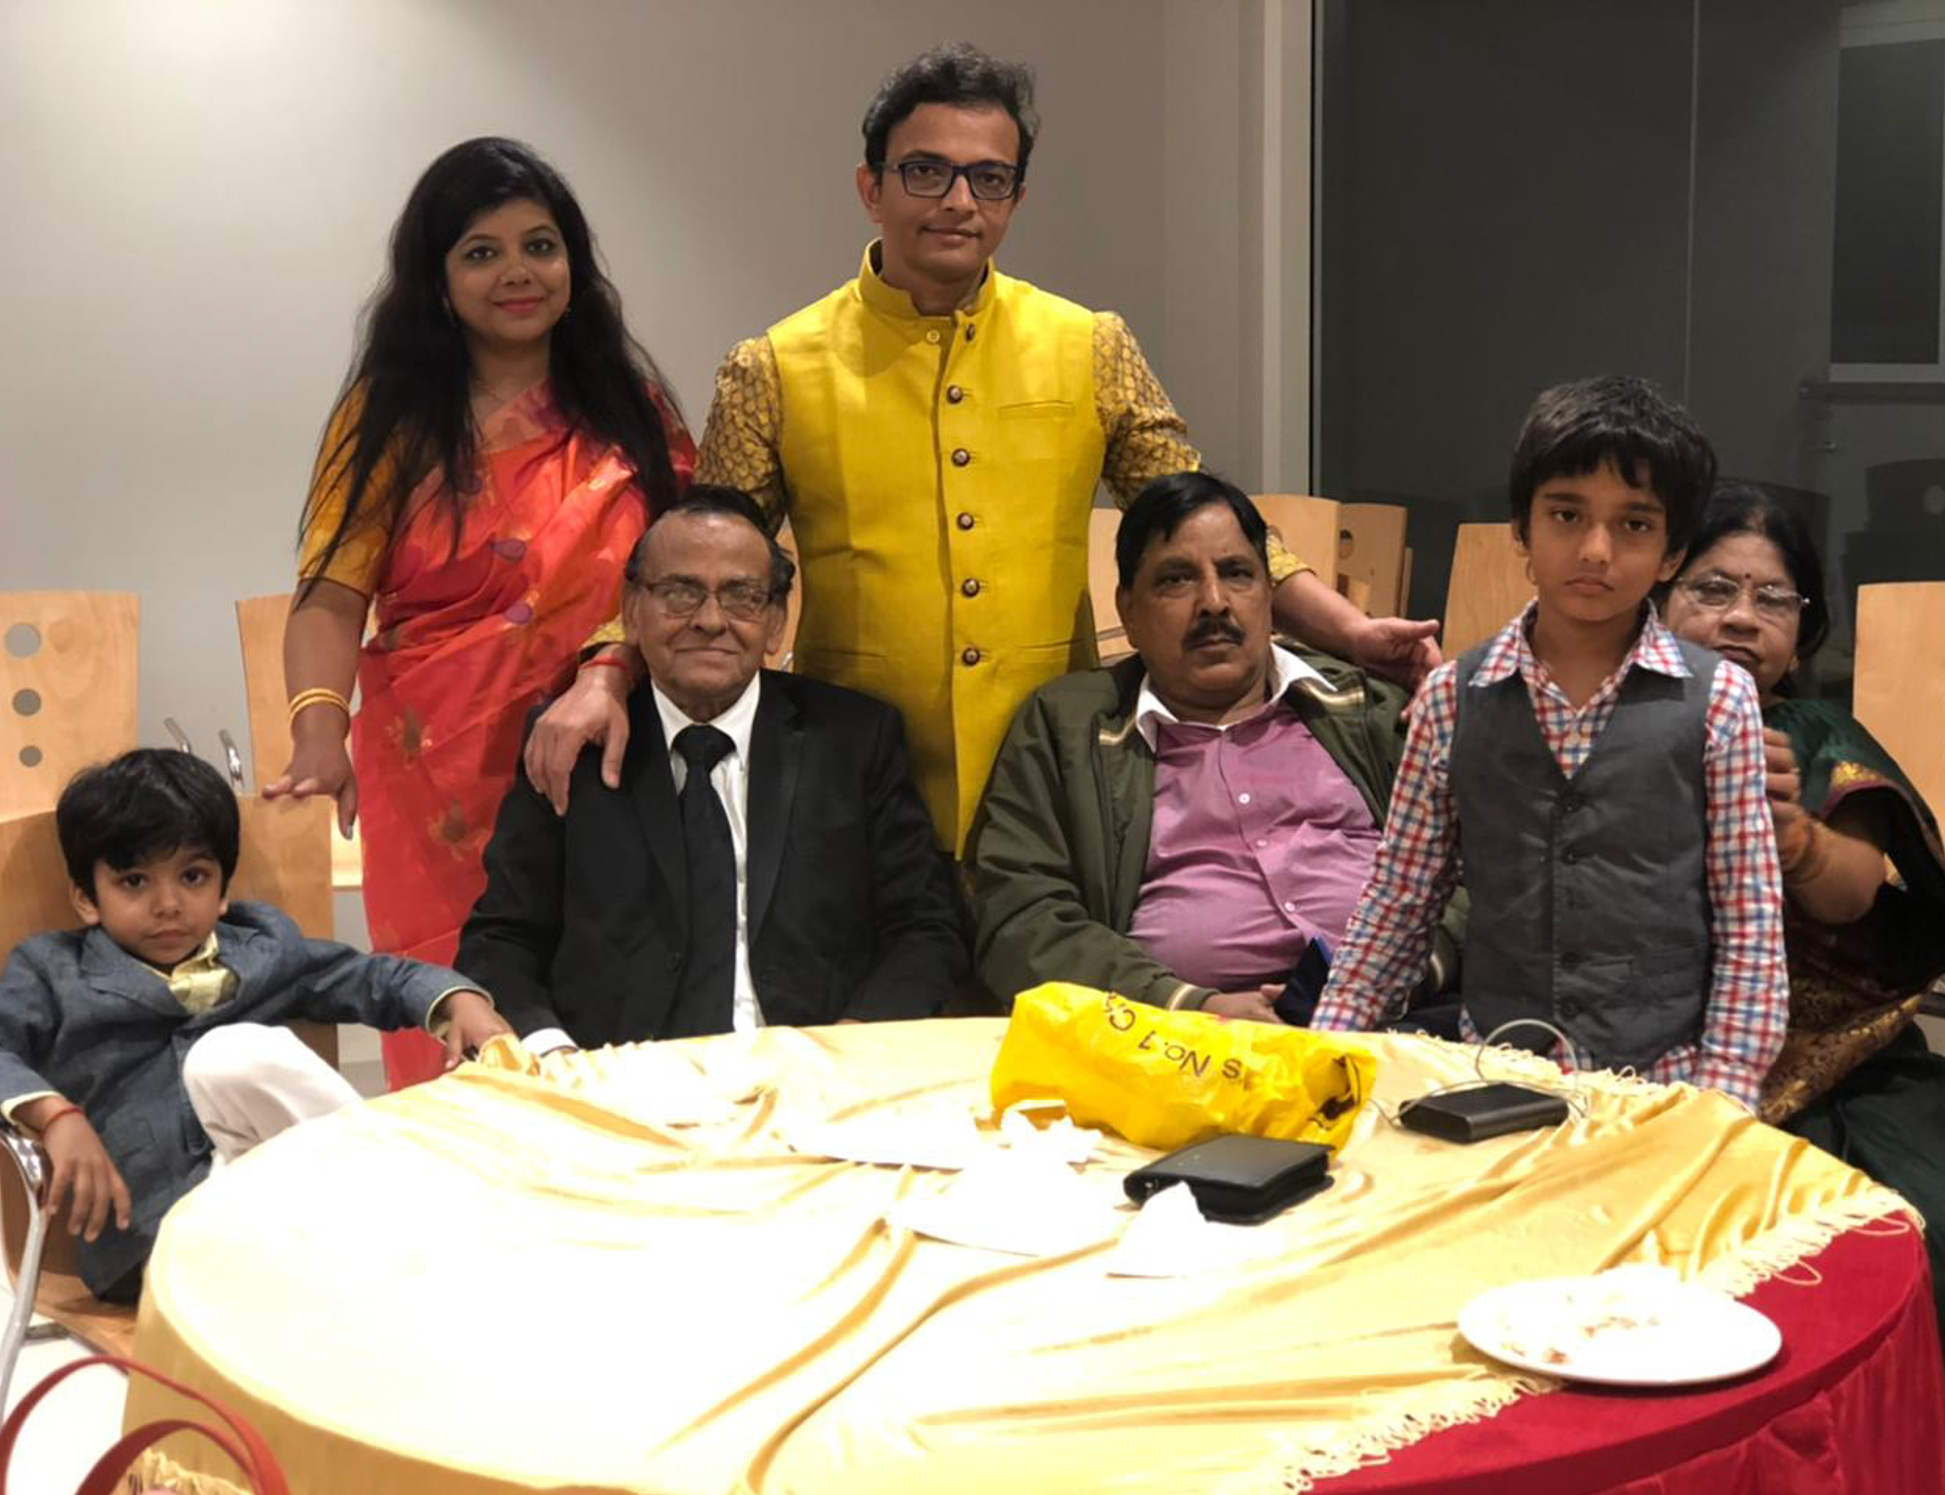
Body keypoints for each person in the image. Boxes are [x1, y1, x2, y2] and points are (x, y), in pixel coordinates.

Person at [524, 43, 1438, 857]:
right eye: (926, 171)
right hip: (854, 770)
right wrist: (609, 669)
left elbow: (1204, 521)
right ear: (869, 186)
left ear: (1015, 197)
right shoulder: (777, 365)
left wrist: (1352, 632)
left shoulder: (1089, 344)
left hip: (1064, 767)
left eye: (988, 178)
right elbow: (697, 558)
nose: (959, 201)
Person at [265, 137, 693, 1089]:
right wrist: (319, 730)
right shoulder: (390, 418)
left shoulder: (631, 407)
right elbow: (333, 594)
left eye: (540, 245)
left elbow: (684, 573)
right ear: (437, 278)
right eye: (481, 251)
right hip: (439, 776)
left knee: (612, 1006)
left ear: (573, 264)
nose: (517, 272)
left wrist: (610, 666)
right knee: (459, 1015)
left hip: (609, 743)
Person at [1313, 376, 1789, 1111]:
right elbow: (1399, 904)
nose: (1596, 549)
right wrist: (1327, 1063)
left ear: (1672, 553)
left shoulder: (1720, 700)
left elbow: (1750, 925)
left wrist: (1719, 1107)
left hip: (1665, 1087)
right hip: (1494, 1076)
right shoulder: (1450, 700)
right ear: (1521, 530)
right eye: (1567, 514)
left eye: (1634, 524)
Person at [0, 751, 509, 1303]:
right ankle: (398, 1218)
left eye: (192, 876)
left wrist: (458, 999)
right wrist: (53, 1116)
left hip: (279, 1205)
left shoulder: (265, 949)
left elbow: (373, 978)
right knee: (228, 1053)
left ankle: (391, 1212)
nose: (168, 904)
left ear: (222, 892)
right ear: (86, 899)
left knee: (235, 1056)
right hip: (152, 1241)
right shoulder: (54, 973)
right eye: (134, 881)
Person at [457, 488, 966, 1049]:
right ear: (630, 611)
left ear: (775, 622)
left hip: (813, 1083)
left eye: (743, 596)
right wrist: (558, 1059)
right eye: (680, 592)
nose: (710, 620)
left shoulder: (853, 741)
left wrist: (850, 1047)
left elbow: (924, 929)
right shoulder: (568, 746)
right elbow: (502, 940)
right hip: (616, 1088)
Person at [966, 472, 1460, 1018]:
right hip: (1171, 1048)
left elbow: (1492, 861)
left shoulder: (1366, 707)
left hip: (1402, 1021)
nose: (1214, 603)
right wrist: (1193, 1007)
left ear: (1271, 596)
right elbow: (1021, 918)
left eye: (1237, 573)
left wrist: (1406, 973)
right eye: (1176, 579)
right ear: (1128, 611)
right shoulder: (1068, 730)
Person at [1660, 482, 1945, 1332]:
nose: (1742, 617)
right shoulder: (1608, 722)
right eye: (1713, 588)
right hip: (1632, 1040)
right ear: (1659, 598)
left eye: (1772, 597)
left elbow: (1855, 889)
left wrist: (1790, 837)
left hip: (1823, 1058)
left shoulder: (1812, 732)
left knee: (1891, 1242)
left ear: (1803, 630)